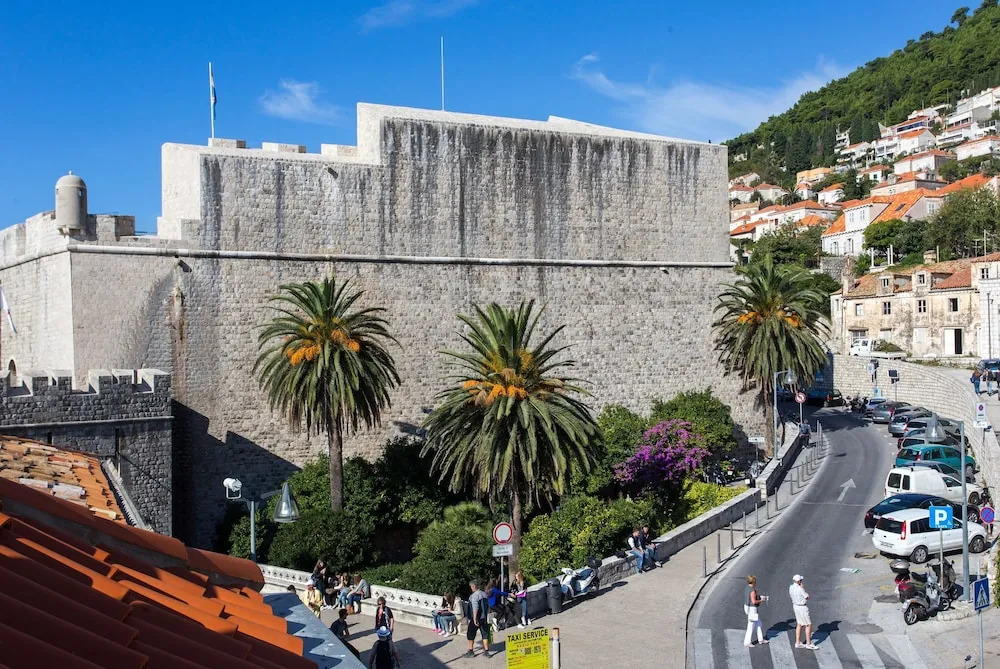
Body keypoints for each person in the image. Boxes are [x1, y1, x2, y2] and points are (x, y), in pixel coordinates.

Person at [464, 580, 492, 658]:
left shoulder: (474, 596)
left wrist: (474, 618)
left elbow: (475, 608)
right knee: (485, 634)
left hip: (477, 618)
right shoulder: (484, 594)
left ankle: (470, 651)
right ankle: (486, 651)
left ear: (474, 586)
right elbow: (488, 606)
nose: (471, 588)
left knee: (471, 634)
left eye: (471, 587)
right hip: (484, 618)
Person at [788, 574, 816, 650]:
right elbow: (807, 597)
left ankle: (798, 642)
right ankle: (808, 643)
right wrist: (803, 588)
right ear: (799, 581)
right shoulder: (800, 589)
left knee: (799, 624)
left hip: (795, 606)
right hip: (802, 607)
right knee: (808, 624)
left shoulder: (791, 587)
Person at [743, 575, 768, 648]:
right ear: (754, 582)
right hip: (752, 609)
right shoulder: (752, 590)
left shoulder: (747, 588)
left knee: (759, 623)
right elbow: (754, 601)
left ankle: (761, 639)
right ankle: (747, 642)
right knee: (751, 626)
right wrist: (761, 600)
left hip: (748, 608)